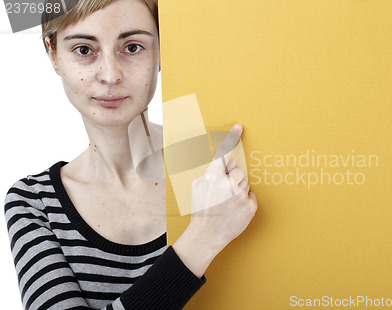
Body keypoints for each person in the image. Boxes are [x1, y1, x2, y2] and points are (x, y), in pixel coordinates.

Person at [3, 0, 257, 309]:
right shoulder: (34, 202)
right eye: (84, 50)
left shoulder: (225, 165)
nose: (110, 75)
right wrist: (203, 238)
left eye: (133, 47)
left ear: (163, 50)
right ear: (54, 54)